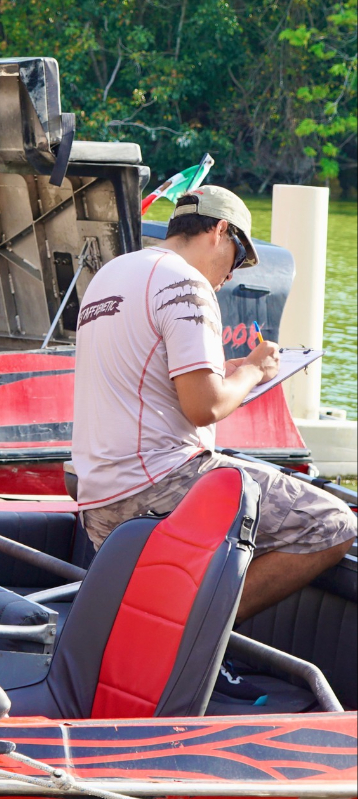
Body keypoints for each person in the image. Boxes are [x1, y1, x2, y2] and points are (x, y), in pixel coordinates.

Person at [72, 185, 355, 622]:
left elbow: (144, 379)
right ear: (220, 231)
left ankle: (174, 636)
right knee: (333, 523)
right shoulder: (187, 283)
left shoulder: (112, 273)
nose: (232, 276)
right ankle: (193, 639)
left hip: (98, 501)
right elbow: (205, 407)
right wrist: (255, 370)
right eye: (238, 258)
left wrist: (227, 369)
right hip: (162, 485)